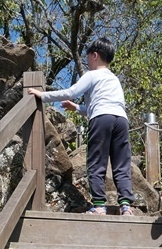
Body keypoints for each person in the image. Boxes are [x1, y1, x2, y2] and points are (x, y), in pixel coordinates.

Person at [28, 37, 134, 216]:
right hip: (121, 120)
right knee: (121, 164)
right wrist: (76, 108)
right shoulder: (114, 79)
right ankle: (126, 207)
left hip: (102, 120)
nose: (86, 61)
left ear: (94, 55)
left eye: (87, 57)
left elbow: (72, 92)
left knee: (96, 162)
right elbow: (99, 106)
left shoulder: (92, 75)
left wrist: (42, 95)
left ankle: (99, 207)